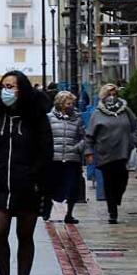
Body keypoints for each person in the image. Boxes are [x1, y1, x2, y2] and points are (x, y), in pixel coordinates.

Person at [0, 70, 52, 275]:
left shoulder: (36, 119)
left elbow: (45, 151)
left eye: (12, 86)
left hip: (27, 186)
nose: (7, 90)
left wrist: (37, 179)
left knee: (25, 235)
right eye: (4, 86)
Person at [86, 83, 137, 224]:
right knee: (109, 183)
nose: (112, 97)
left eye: (114, 94)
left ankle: (116, 199)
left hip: (123, 151)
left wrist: (132, 141)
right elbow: (90, 136)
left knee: (122, 179)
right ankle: (112, 212)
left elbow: (136, 126)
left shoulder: (125, 110)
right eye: (109, 94)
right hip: (105, 153)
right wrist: (89, 152)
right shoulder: (97, 114)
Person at [44, 91, 87, 224]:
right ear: (60, 104)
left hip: (72, 158)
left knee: (73, 186)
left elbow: (84, 137)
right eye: (68, 103)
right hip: (54, 158)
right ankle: (46, 212)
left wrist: (77, 148)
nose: (71, 105)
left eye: (72, 103)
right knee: (50, 186)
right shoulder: (49, 118)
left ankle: (69, 213)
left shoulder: (78, 118)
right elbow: (44, 136)